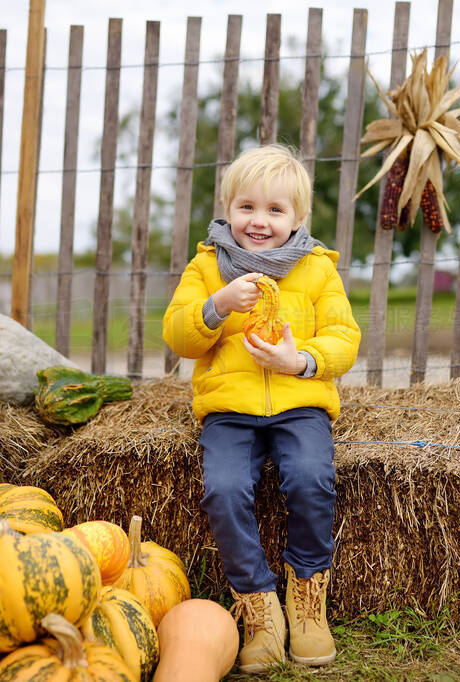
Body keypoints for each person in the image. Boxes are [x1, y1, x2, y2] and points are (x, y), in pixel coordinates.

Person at [162, 144, 361, 672]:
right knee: (224, 490)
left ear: (297, 219)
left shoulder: (317, 269)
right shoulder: (207, 267)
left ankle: (307, 596)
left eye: (275, 210)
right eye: (247, 206)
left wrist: (301, 360)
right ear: (227, 208)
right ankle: (258, 605)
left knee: (311, 478)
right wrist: (218, 305)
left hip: (299, 404)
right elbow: (178, 334)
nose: (259, 220)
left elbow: (345, 338)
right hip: (228, 408)